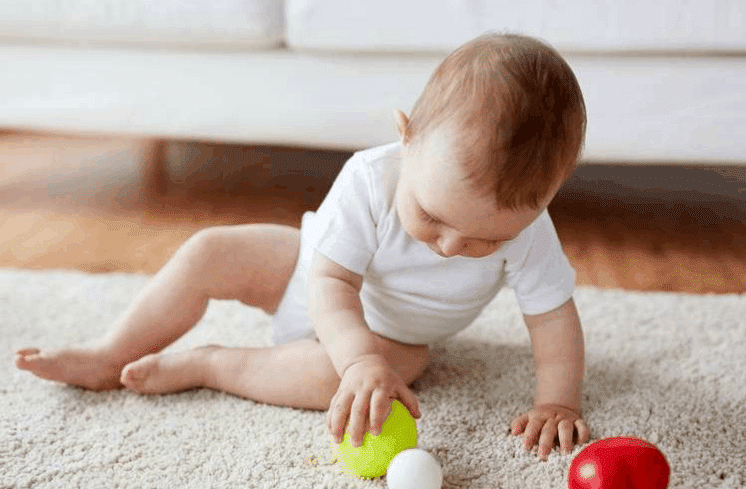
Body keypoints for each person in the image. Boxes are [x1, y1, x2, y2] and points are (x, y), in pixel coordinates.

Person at [16, 32, 590, 460]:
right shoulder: (370, 177)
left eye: (489, 239)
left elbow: (552, 318)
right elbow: (331, 281)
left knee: (354, 381)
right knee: (209, 251)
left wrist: (558, 401)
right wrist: (356, 357)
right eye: (432, 217)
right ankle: (110, 354)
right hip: (305, 272)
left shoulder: (531, 231)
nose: (450, 245)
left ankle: (212, 365)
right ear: (407, 135)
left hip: (395, 336)